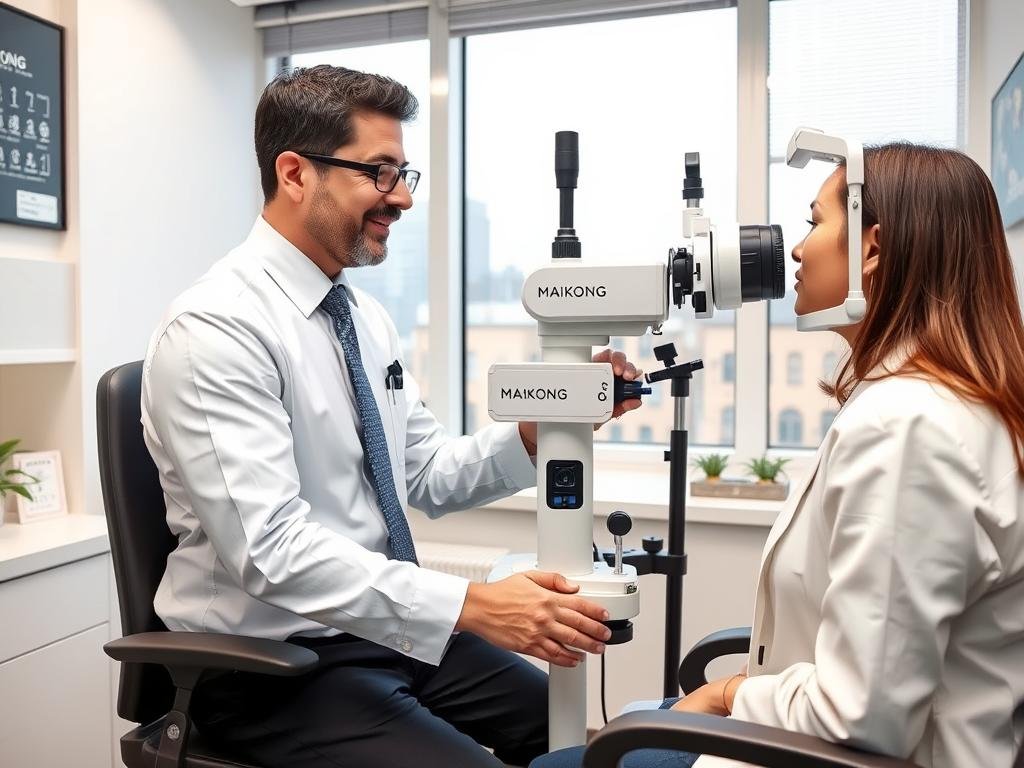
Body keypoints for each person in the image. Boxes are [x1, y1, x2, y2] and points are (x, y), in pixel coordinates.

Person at [141, 65, 643, 768]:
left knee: (580, 741)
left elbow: (427, 473)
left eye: (405, 173)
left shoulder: (362, 319)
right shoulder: (217, 329)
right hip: (271, 666)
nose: (402, 197)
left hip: (381, 630)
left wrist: (542, 430)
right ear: (295, 173)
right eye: (380, 173)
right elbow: (271, 553)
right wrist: (472, 605)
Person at [531, 143, 1024, 768]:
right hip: (814, 740)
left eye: (816, 222)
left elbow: (861, 717)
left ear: (871, 250)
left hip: (825, 754)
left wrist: (723, 695)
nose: (796, 248)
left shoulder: (907, 429)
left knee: (583, 753)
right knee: (618, 729)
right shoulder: (944, 407)